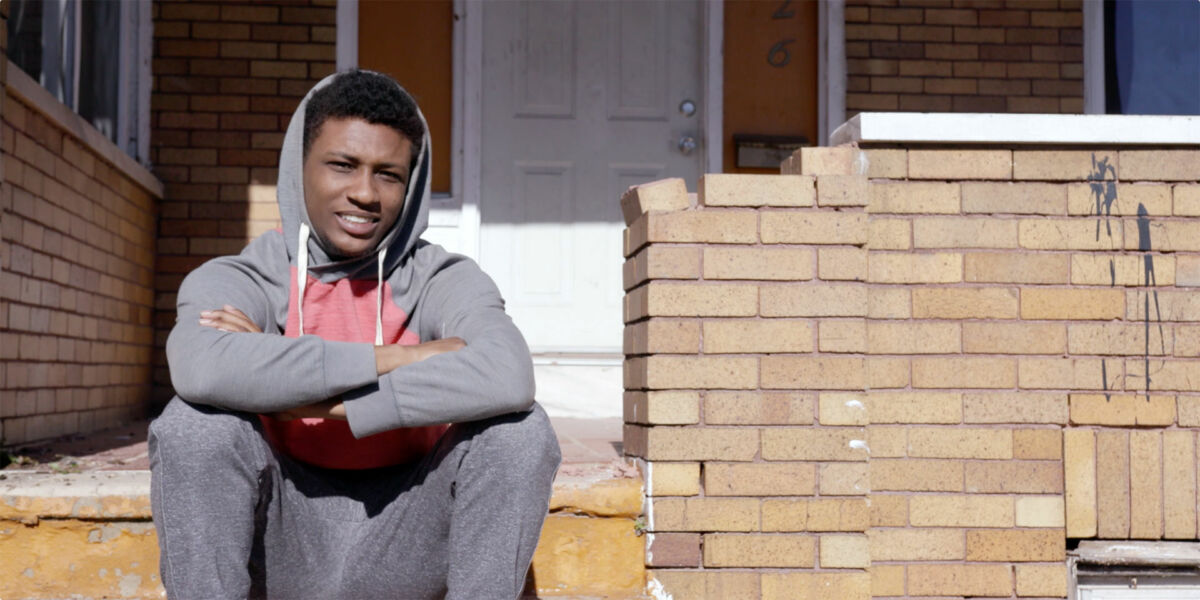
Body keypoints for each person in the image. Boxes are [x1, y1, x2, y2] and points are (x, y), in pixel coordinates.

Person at [148, 70, 561, 599]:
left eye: (387, 174)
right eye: (342, 165)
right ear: (301, 168)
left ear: (409, 185)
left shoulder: (442, 279)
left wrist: (295, 397)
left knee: (519, 432)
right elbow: (202, 368)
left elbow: (507, 374)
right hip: (281, 539)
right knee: (194, 425)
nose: (365, 193)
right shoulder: (245, 276)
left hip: (408, 535)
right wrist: (401, 358)